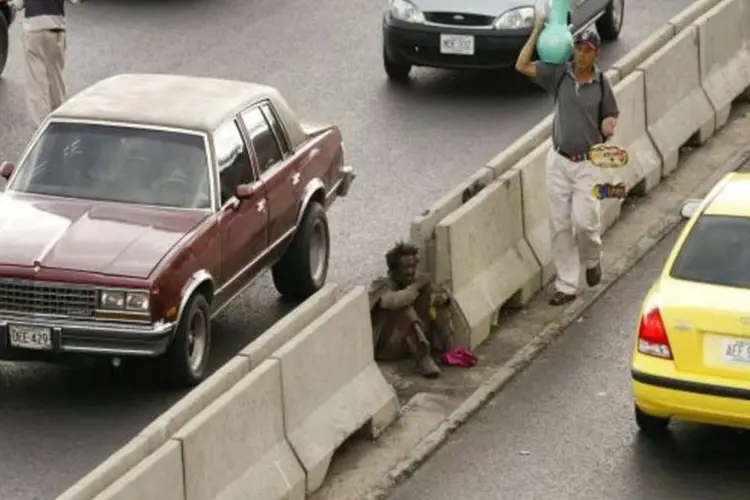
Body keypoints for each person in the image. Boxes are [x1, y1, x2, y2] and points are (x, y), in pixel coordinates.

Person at [515, 17, 620, 306]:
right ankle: (566, 285)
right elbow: (521, 66)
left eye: (587, 50)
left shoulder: (601, 82)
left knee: (585, 223)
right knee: (560, 225)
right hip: (558, 160)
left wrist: (609, 124)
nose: (582, 55)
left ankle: (592, 258)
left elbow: (610, 112)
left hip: (589, 162)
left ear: (596, 54)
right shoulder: (559, 74)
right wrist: (537, 30)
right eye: (578, 49)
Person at [368, 241, 469, 378]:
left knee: (432, 293)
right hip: (386, 347)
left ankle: (450, 347)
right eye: (405, 268)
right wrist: (416, 286)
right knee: (405, 309)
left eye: (413, 267)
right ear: (394, 270)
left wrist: (441, 299)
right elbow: (390, 302)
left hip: (406, 344)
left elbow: (440, 295)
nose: (410, 272)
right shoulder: (381, 284)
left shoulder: (413, 282)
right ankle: (422, 359)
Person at [9, 0, 78, 127]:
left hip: (33, 30)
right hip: (56, 29)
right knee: (57, 81)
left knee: (36, 85)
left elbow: (16, 4)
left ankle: (40, 130)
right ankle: (60, 124)